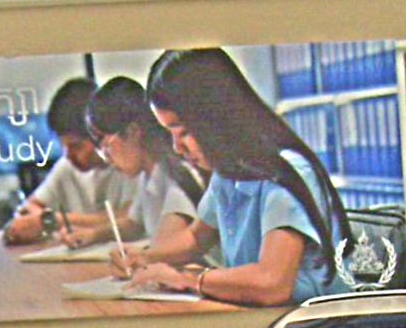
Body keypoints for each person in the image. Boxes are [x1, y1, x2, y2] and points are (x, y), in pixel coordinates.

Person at [111, 48, 354, 306]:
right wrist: (144, 257)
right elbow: (196, 238)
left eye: (183, 132)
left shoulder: (286, 171)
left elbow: (272, 283)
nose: (177, 148)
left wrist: (189, 280)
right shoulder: (229, 170)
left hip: (309, 320)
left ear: (215, 119)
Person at [61, 76, 206, 249]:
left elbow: (166, 246)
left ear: (132, 131)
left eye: (104, 143)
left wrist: (140, 256)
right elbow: (134, 224)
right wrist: (93, 234)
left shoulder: (175, 177)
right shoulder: (149, 175)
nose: (105, 157)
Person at [4, 78, 136, 245]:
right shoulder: (66, 167)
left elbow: (131, 218)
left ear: (100, 135)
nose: (69, 155)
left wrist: (53, 220)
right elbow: (30, 207)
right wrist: (39, 220)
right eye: (63, 146)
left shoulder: (130, 164)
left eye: (76, 146)